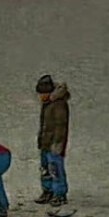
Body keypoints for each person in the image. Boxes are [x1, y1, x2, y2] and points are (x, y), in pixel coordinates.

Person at [34, 74, 70, 207]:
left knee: (55, 169)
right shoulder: (47, 103)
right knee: (45, 168)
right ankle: (47, 190)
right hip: (45, 142)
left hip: (54, 144)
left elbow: (61, 126)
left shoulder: (59, 105)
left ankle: (59, 194)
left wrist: (58, 144)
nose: (40, 97)